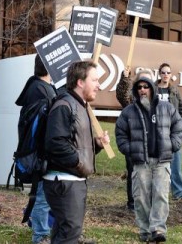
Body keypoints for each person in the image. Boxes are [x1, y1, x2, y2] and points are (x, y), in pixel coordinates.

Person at [43, 61, 109, 244]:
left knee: (63, 232)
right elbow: (55, 143)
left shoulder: (79, 105)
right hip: (65, 182)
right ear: (80, 82)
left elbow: (75, 143)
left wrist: (97, 144)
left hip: (70, 180)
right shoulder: (65, 105)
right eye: (95, 80)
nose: (99, 85)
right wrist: (79, 162)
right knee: (70, 234)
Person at [115, 76, 182, 243]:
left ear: (152, 89)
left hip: (162, 161)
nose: (142, 90)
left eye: (146, 86)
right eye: (139, 87)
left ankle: (158, 230)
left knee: (161, 195)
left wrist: (172, 145)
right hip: (140, 162)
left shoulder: (167, 108)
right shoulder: (128, 112)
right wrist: (131, 150)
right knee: (141, 198)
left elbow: (179, 128)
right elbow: (120, 134)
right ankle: (145, 230)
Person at [15, 55, 56, 244]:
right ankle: (40, 235)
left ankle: (45, 230)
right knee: (43, 196)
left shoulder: (33, 87)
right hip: (41, 154)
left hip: (35, 152)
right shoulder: (43, 91)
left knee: (44, 195)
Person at [115, 67, 153, 211]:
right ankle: (133, 204)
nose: (143, 87)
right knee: (133, 174)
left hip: (151, 146)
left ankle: (149, 203)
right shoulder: (131, 101)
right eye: (141, 82)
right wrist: (125, 79)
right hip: (134, 145)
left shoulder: (157, 103)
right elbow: (121, 95)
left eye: (147, 82)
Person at [157, 62, 182, 200]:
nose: (166, 75)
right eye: (163, 72)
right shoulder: (153, 89)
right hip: (157, 131)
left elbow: (181, 110)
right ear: (159, 74)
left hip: (173, 131)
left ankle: (178, 193)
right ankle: (158, 192)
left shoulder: (175, 91)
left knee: (176, 163)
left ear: (171, 75)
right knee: (157, 163)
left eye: (168, 72)